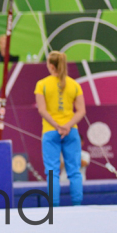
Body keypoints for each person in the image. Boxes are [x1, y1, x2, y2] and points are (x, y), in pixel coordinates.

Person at [35, 51, 86, 207]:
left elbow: (42, 110)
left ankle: (54, 206)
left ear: (51, 66)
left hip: (51, 131)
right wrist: (67, 126)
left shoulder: (42, 84)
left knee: (52, 172)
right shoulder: (74, 85)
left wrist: (57, 126)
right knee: (74, 171)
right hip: (71, 132)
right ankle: (77, 205)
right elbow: (82, 111)